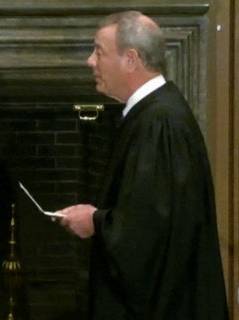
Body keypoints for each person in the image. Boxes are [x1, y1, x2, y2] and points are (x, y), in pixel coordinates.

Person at [55, 11, 229, 319]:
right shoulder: (155, 114)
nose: (90, 62)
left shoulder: (159, 122)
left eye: (99, 51)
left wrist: (95, 220)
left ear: (131, 59)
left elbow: (149, 232)